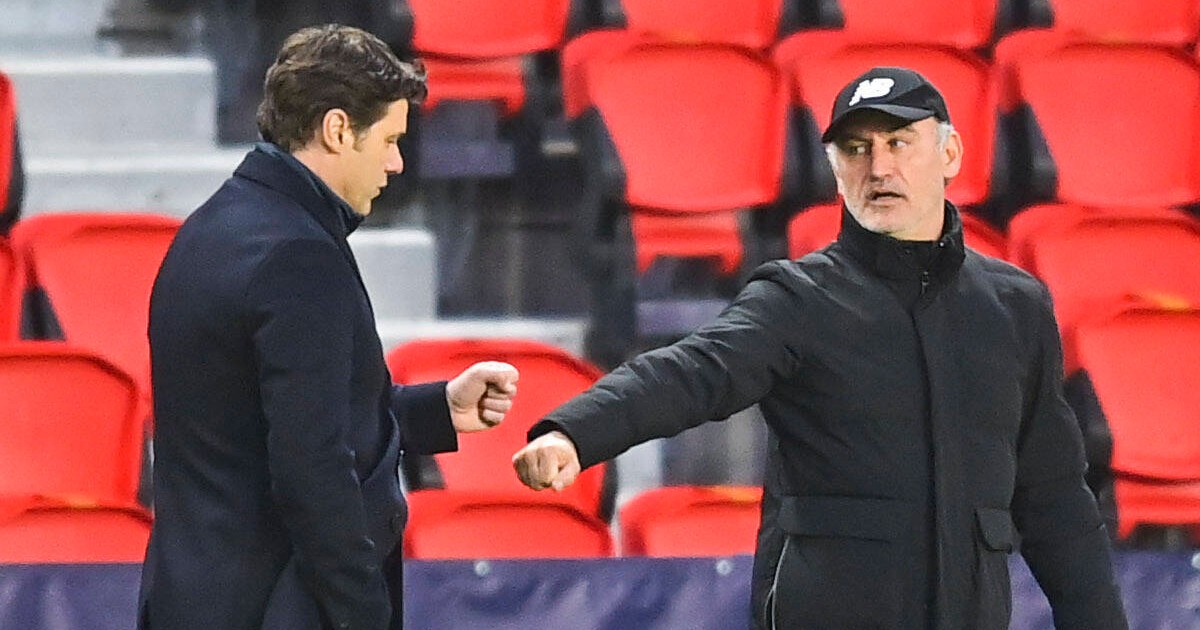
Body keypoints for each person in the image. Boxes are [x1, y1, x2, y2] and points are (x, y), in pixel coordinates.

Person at [513, 67, 1128, 629]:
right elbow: (693, 371)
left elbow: (1055, 501)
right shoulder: (797, 298)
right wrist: (576, 431)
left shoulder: (1015, 307)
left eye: (898, 143)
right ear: (834, 170)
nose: (878, 168)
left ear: (950, 153)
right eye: (857, 150)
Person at [138, 24, 520, 630]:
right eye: (390, 140)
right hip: (276, 607)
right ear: (338, 129)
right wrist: (362, 614)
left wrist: (438, 409)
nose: (396, 163)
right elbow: (310, 468)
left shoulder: (208, 230)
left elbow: (267, 418)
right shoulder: (299, 254)